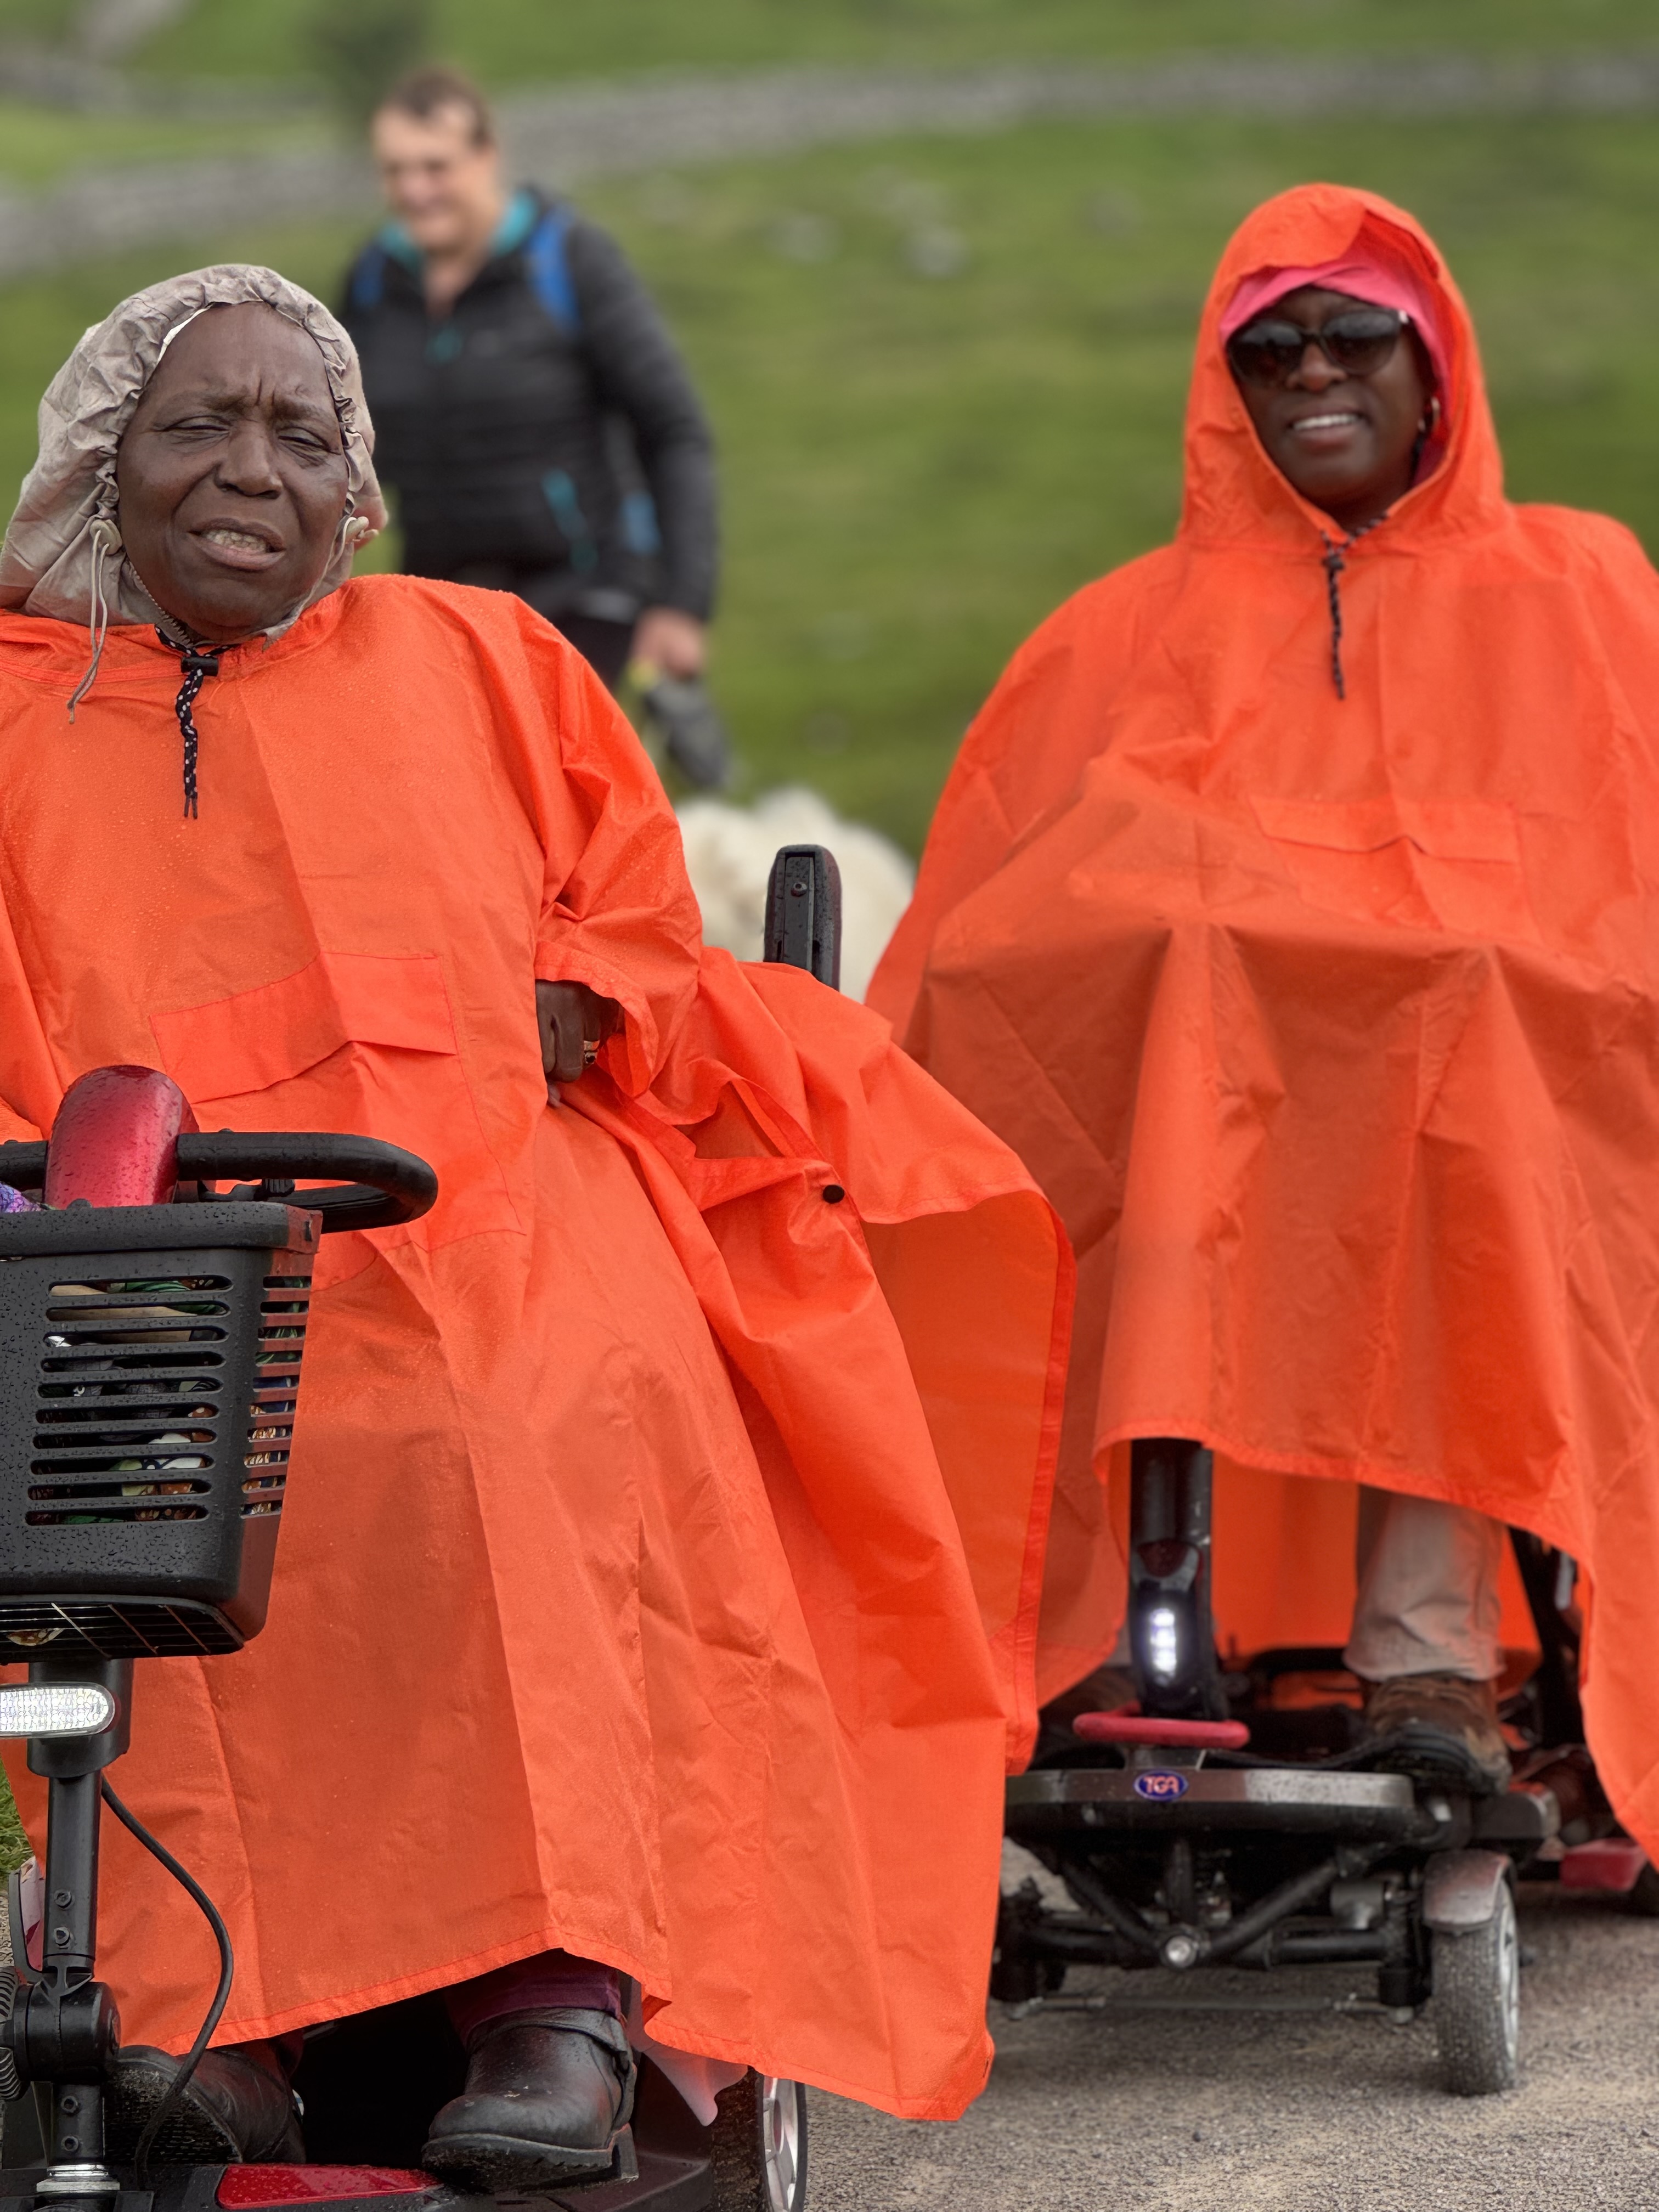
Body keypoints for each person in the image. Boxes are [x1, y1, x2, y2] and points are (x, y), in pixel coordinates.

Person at [0, 265, 1069, 2180]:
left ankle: (556, 1991)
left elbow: (630, 931)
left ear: (360, 491)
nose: (252, 468)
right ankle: (208, 2013)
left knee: (504, 1408)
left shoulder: (486, 659)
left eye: (302, 435)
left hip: (495, 1205)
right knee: (153, 1457)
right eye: (196, 425)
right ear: (99, 462)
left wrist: (570, 998)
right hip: (147, 1266)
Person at [870, 183, 1659, 1842]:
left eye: (1353, 335)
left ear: (1433, 363)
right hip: (1208, 1126)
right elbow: (976, 955)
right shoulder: (1115, 633)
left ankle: (1434, 1663)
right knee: (1144, 1137)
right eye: (1270, 347)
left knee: (1460, 1133)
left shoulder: (1584, 594)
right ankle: (1124, 1635)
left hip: (1494, 1126)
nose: (1315, 371)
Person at [342, 66, 714, 696]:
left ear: (487, 156)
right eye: (395, 170)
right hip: (441, 604)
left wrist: (681, 603)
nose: (414, 190)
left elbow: (673, 428)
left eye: (435, 167)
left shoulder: (567, 260)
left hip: (582, 599)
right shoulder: (375, 282)